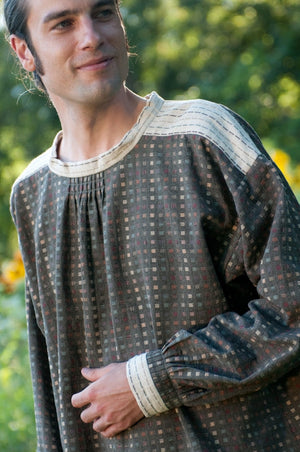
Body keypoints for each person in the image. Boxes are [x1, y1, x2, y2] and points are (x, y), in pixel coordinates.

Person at [5, 0, 300, 450]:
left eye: (103, 13)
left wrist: (151, 381)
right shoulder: (31, 193)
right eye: (63, 23)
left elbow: (293, 305)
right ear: (24, 51)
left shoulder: (205, 138)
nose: (92, 36)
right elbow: (53, 384)